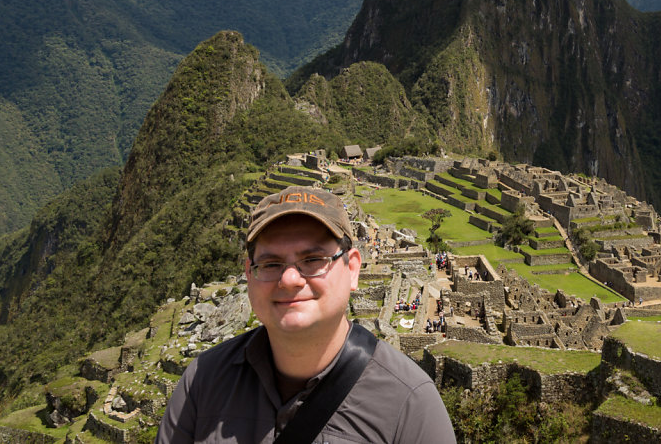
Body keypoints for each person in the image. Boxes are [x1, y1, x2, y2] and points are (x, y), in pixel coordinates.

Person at [157, 186, 456, 443]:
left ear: (352, 269)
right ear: (249, 275)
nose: (289, 280)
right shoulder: (202, 382)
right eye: (271, 263)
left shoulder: (411, 405)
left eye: (313, 260)